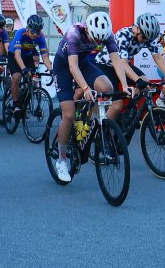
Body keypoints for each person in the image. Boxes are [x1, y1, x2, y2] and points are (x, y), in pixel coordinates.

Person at [51, 12, 132, 183]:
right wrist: (86, 88)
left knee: (107, 87)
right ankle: (61, 160)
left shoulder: (107, 34)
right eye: (94, 39)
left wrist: (124, 85)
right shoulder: (74, 33)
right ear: (87, 29)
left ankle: (92, 122)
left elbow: (116, 60)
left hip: (84, 63)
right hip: (64, 66)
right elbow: (72, 67)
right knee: (68, 114)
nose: (97, 43)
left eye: (100, 41)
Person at [94, 12, 165, 121]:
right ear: (137, 29)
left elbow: (157, 56)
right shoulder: (124, 35)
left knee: (146, 83)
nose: (146, 41)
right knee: (117, 105)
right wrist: (137, 80)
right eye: (144, 37)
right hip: (105, 65)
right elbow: (123, 63)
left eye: (148, 39)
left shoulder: (147, 36)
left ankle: (128, 113)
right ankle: (105, 129)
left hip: (122, 66)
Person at [8, 14, 54, 114]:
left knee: (34, 80)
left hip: (28, 56)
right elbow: (17, 55)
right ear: (28, 28)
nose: (35, 34)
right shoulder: (20, 33)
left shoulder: (40, 37)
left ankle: (26, 100)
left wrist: (51, 70)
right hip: (14, 55)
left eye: (38, 32)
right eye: (33, 31)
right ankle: (15, 104)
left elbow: (45, 57)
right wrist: (24, 69)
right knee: (17, 77)